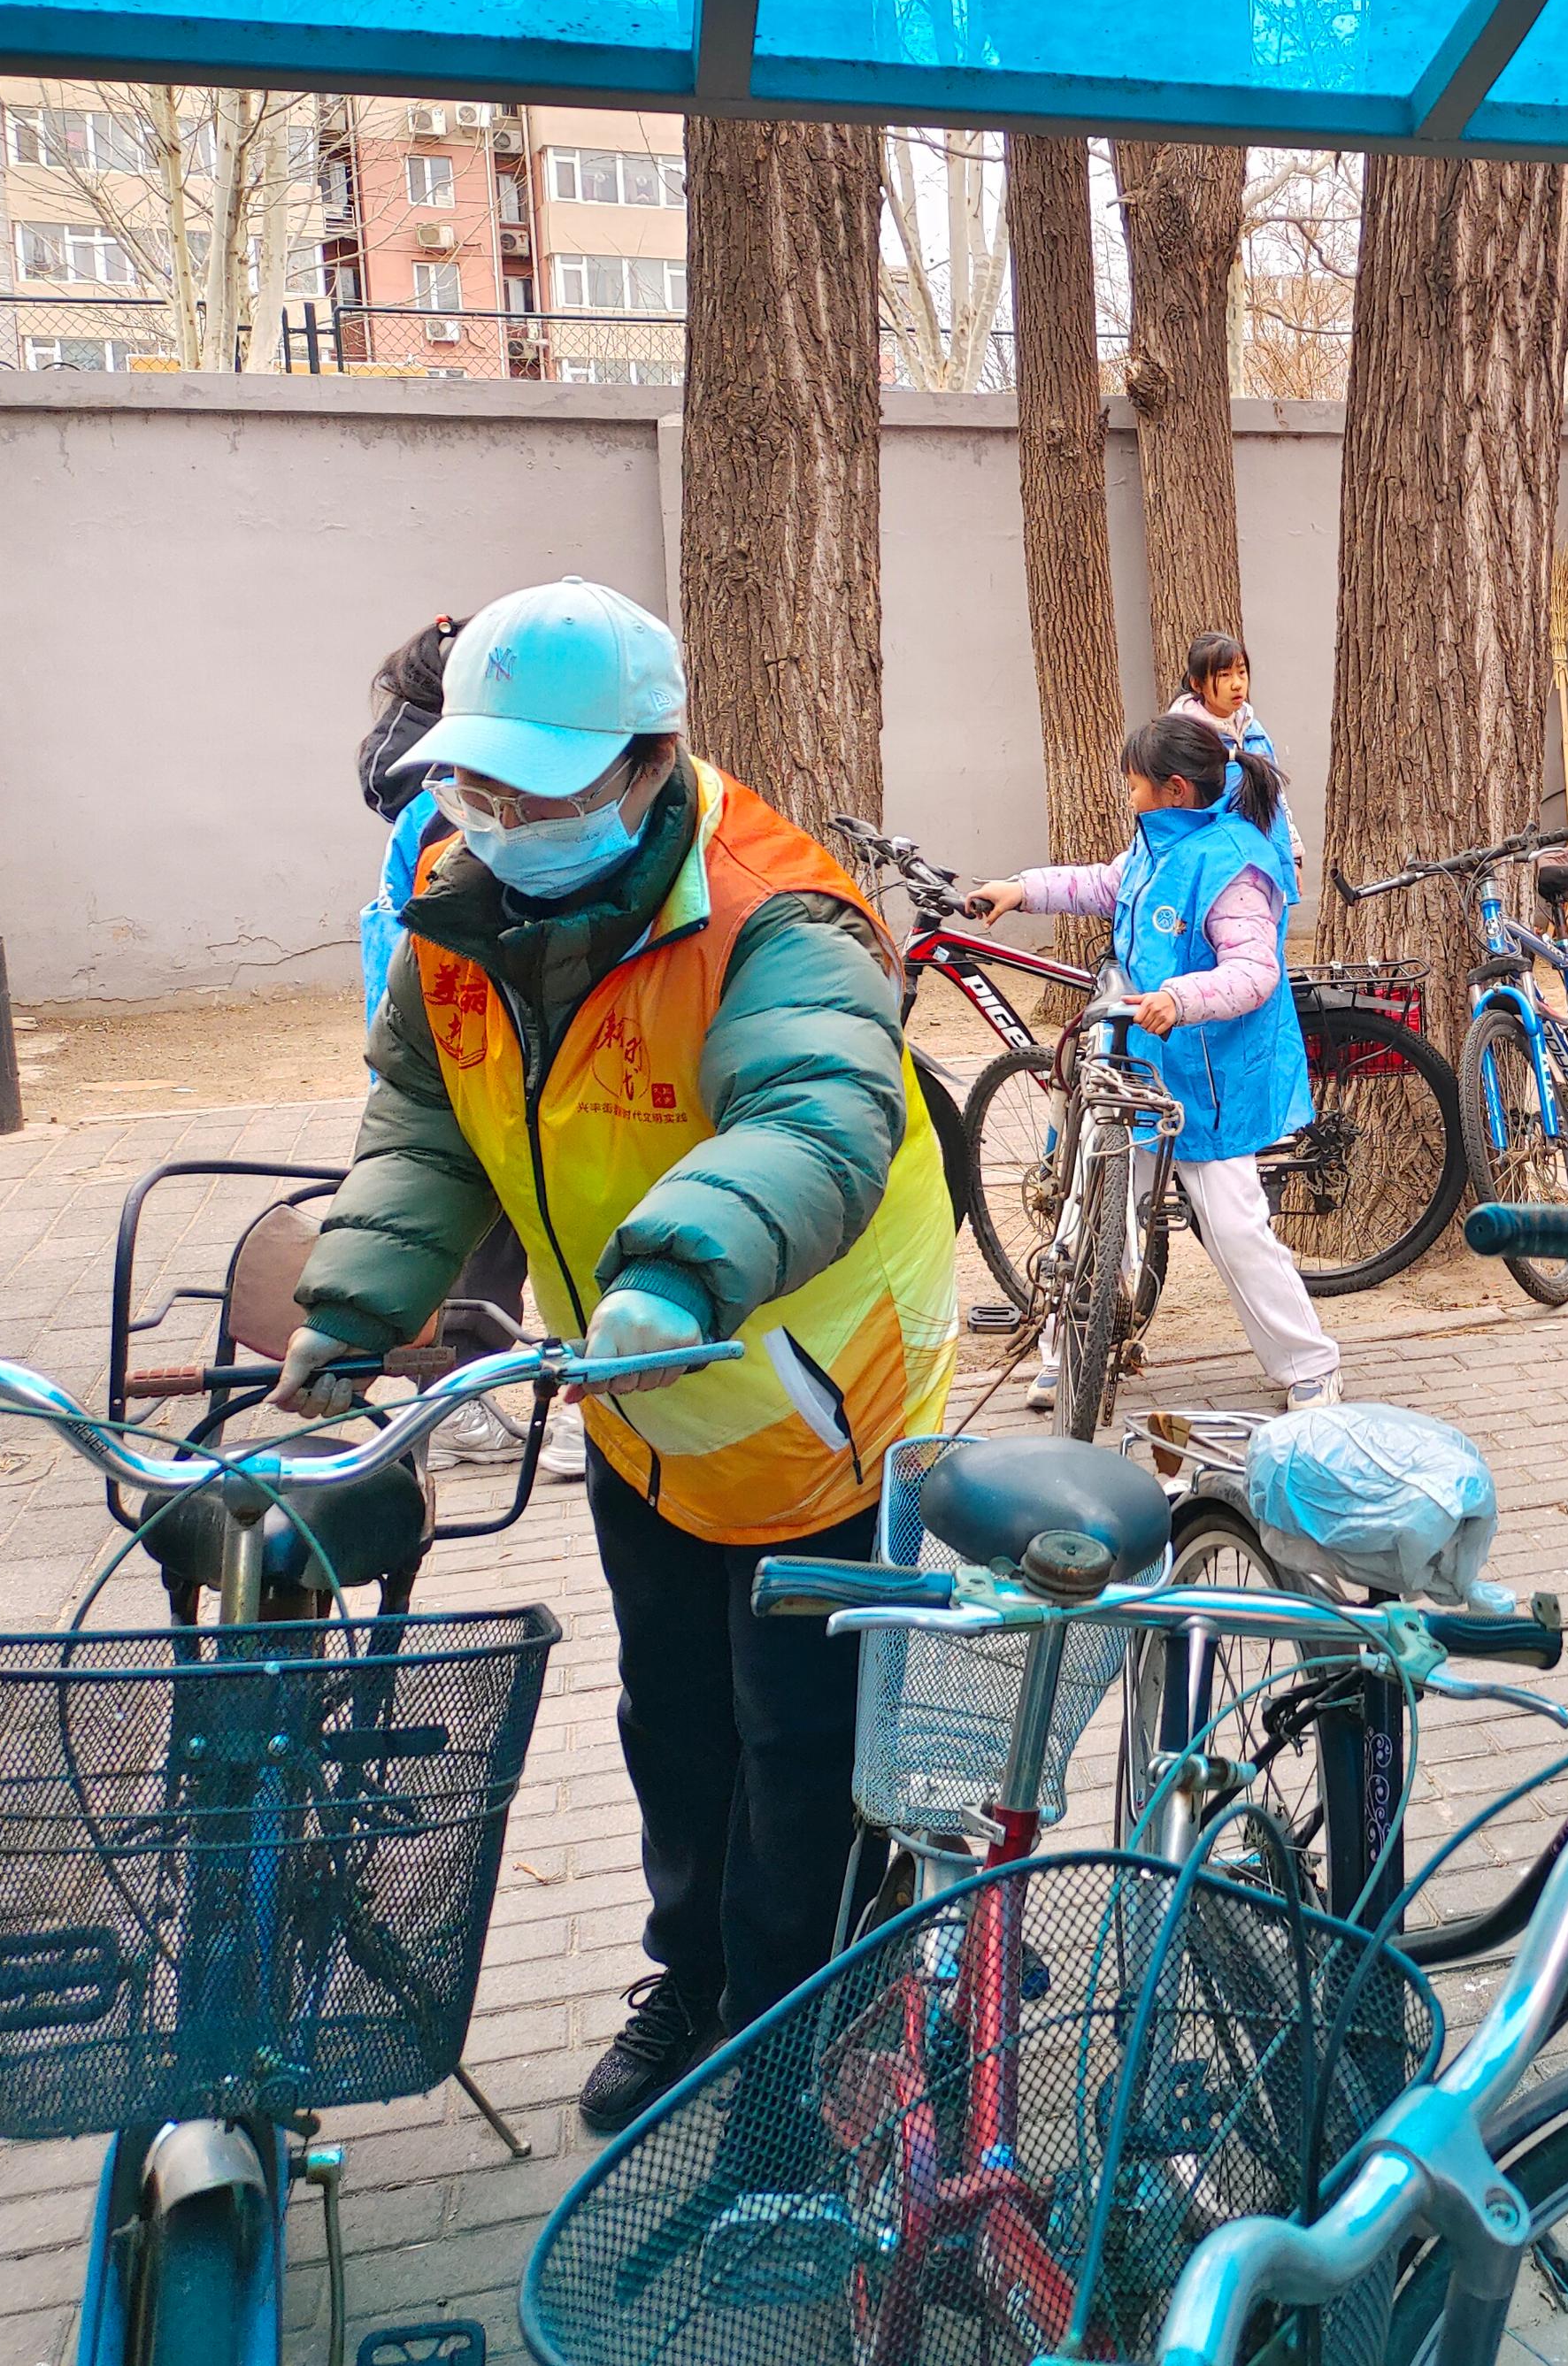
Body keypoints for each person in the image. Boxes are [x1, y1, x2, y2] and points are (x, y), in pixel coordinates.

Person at [276, 578, 961, 2135]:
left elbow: (816, 1117)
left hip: (807, 1396)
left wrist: (673, 1269)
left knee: (802, 1741)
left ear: (651, 764)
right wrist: (359, 1302)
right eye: (479, 776)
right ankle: (693, 1978)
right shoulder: (459, 903)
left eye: (539, 783)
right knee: (673, 1713)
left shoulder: (777, 911)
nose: (500, 813)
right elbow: (427, 1118)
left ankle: (792, 2035)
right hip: (633, 1395)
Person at [967, 709, 1341, 1410]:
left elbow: (1255, 971)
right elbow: (1100, 886)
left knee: (1233, 1227)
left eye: (1134, 782)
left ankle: (1309, 1364)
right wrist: (1021, 889)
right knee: (1088, 1205)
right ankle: (1065, 1349)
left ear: (1174, 789)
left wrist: (1180, 996)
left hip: (1209, 1079)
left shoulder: (1234, 864)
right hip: (1137, 1064)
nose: (1127, 793)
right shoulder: (1154, 844)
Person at [355, 612, 542, 1469]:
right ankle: (458, 1392)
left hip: (438, 1033)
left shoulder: (420, 790)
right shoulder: (452, 812)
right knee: (483, 1229)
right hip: (468, 1039)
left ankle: (453, 1388)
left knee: (478, 1229)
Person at [1173, 628, 1300, 905]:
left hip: (1267, 863)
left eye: (1241, 673)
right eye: (1224, 675)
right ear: (1197, 683)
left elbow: (1277, 798)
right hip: (1218, 876)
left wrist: (1292, 856)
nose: (1237, 684)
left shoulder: (1255, 730)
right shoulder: (1185, 739)